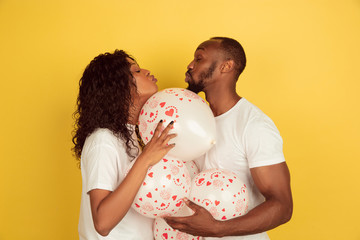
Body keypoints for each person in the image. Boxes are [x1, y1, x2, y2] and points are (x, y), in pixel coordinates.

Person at [165, 37, 293, 239]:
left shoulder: (253, 126)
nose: (190, 65)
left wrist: (216, 229)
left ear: (226, 66)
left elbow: (282, 206)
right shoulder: (191, 121)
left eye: (199, 58)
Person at [72, 49, 176, 239]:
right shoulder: (103, 140)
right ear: (118, 88)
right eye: (136, 71)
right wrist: (145, 160)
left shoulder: (129, 136)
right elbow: (102, 223)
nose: (146, 71)